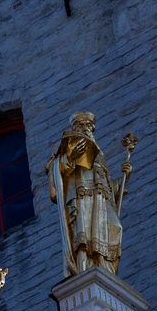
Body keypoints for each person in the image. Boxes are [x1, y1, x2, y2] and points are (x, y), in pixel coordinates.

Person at [46, 112, 127, 278]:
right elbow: (56, 173)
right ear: (75, 127)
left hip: (101, 199)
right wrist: (71, 159)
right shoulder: (67, 145)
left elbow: (106, 185)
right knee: (84, 238)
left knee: (115, 228)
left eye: (90, 126)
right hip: (82, 196)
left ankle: (107, 272)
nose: (87, 129)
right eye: (83, 125)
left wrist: (124, 178)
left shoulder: (98, 153)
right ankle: (84, 269)